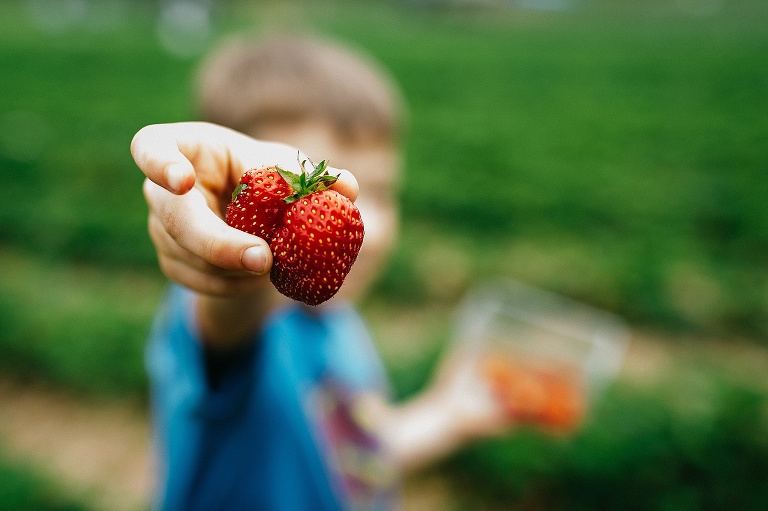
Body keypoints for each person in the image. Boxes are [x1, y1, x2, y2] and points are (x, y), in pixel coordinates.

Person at [131, 34, 509, 511]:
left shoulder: (339, 321)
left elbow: (354, 451)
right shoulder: (229, 329)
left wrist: (449, 415)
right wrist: (230, 259)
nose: (364, 226)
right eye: (310, 193)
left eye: (381, 190)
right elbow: (230, 308)